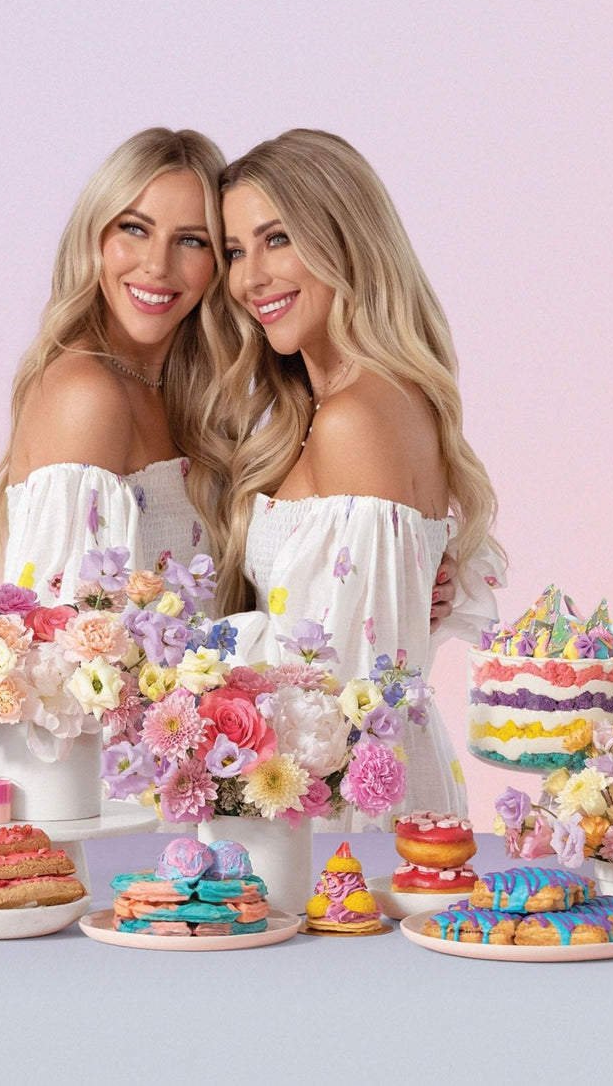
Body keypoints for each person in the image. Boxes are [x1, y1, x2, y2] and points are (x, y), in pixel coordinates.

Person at [211, 129, 506, 814]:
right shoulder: (361, 405)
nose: (251, 276)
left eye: (278, 238)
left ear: (344, 238)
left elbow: (333, 691)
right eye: (235, 250)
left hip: (342, 812)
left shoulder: (356, 419)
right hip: (361, 789)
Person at [0, 128, 236, 605]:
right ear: (95, 235)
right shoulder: (88, 395)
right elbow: (75, 650)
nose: (157, 265)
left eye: (191, 240)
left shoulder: (187, 399)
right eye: (135, 228)